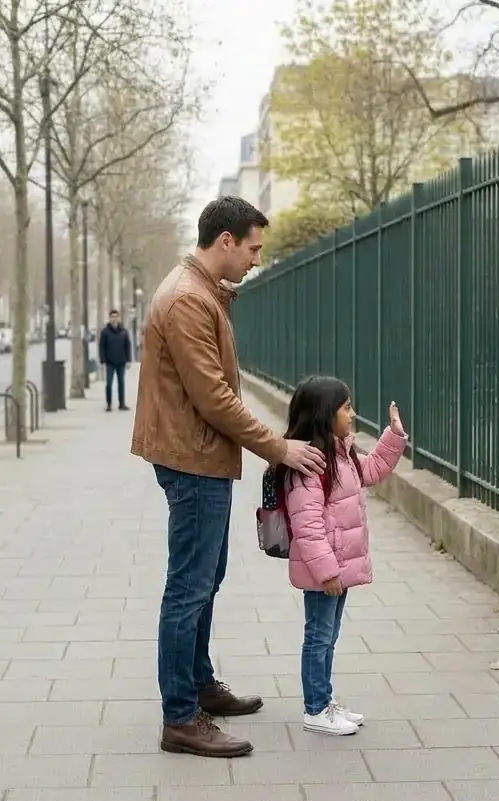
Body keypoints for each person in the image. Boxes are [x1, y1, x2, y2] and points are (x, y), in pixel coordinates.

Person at [131, 196, 326, 758]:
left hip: (199, 456)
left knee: (205, 577)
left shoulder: (201, 292)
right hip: (192, 460)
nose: (256, 260)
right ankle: (180, 717)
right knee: (189, 586)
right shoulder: (189, 300)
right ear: (225, 242)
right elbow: (213, 397)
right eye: (253, 248)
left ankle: (198, 686)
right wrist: (277, 447)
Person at [278, 377, 408, 736]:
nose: (352, 414)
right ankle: (315, 709)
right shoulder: (312, 465)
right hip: (327, 570)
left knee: (328, 636)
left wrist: (393, 436)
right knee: (318, 637)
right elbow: (308, 528)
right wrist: (327, 572)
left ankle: (324, 701)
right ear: (325, 414)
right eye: (346, 407)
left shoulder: (341, 453)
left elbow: (372, 470)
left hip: (337, 568)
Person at [98, 309, 132, 411]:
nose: (114, 319)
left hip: (121, 361)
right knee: (109, 384)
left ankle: (122, 403)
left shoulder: (124, 331)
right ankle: (108, 404)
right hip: (109, 362)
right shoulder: (105, 332)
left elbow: (127, 346)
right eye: (112, 317)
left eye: (116, 316)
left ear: (119, 318)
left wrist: (128, 360)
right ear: (110, 318)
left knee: (121, 383)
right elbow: (102, 347)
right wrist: (103, 360)